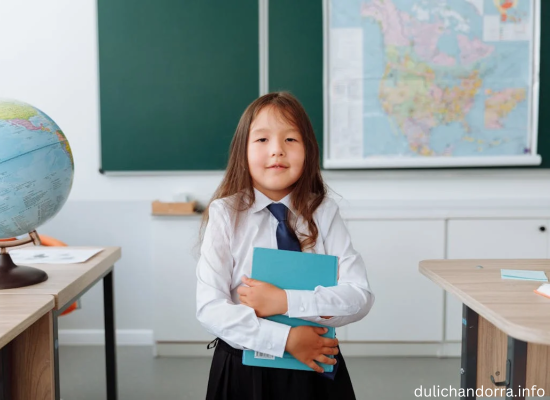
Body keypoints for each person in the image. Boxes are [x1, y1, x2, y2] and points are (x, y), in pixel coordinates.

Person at [196, 91, 375, 400]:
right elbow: (210, 308)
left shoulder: (324, 213)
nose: (277, 150)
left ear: (309, 150)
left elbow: (359, 296)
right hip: (244, 369)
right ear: (243, 151)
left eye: (291, 140)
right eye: (262, 140)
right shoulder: (225, 215)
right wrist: (286, 339)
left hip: (316, 363)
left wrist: (284, 302)